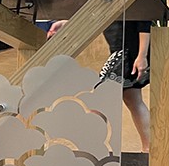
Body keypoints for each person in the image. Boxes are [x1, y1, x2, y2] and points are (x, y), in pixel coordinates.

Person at [47, 18, 151, 152]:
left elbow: (144, 22)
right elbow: (98, 14)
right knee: (133, 100)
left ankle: (89, 148)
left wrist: (142, 56)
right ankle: (149, 149)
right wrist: (67, 24)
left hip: (126, 55)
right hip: (123, 54)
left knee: (98, 102)